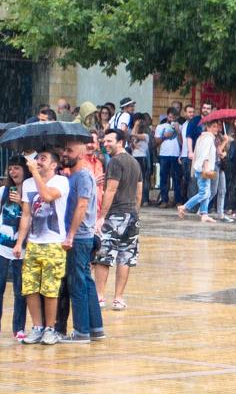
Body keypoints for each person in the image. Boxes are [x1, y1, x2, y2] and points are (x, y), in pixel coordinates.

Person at [15, 143, 69, 346]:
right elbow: (26, 215)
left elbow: (46, 196)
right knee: (29, 287)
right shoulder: (29, 184)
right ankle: (37, 326)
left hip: (54, 243)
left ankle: (50, 328)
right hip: (34, 243)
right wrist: (20, 242)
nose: (38, 161)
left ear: (54, 164)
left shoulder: (61, 181)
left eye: (43, 158)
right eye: (37, 158)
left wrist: (33, 174)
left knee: (50, 288)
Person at [93, 128, 142, 311]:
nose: (105, 145)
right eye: (104, 141)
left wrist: (102, 216)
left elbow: (111, 190)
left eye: (109, 141)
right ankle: (119, 298)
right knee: (125, 256)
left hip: (115, 215)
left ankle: (99, 296)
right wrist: (134, 213)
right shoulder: (135, 162)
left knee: (103, 255)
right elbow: (139, 193)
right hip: (131, 216)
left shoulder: (115, 161)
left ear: (120, 142)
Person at [61, 137, 104, 342]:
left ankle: (81, 331)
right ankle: (95, 328)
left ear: (80, 154)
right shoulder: (73, 176)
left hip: (80, 237)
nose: (64, 154)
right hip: (80, 236)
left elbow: (82, 205)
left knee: (77, 283)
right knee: (86, 281)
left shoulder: (84, 176)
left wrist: (70, 234)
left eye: (69, 151)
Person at [0, 158, 29, 342]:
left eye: (17, 168)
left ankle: (19, 328)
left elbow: (33, 215)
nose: (13, 172)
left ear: (25, 170)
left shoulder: (32, 191)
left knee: (20, 290)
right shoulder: (4, 191)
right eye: (10, 169)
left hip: (21, 248)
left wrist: (22, 203)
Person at [179, 118, 220, 223]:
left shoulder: (202, 137)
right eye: (214, 126)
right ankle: (184, 206)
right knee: (204, 193)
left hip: (200, 167)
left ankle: (204, 214)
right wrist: (206, 168)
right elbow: (205, 155)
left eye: (217, 126)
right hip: (203, 169)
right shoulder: (208, 138)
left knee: (206, 192)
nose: (217, 128)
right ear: (208, 127)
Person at [155, 111, 185, 207]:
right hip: (164, 155)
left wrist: (178, 131)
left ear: (176, 117)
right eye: (170, 115)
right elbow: (156, 142)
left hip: (176, 155)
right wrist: (165, 136)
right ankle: (164, 200)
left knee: (177, 179)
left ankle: (178, 201)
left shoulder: (180, 126)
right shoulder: (160, 127)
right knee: (164, 178)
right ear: (167, 115)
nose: (172, 117)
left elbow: (182, 143)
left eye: (174, 116)